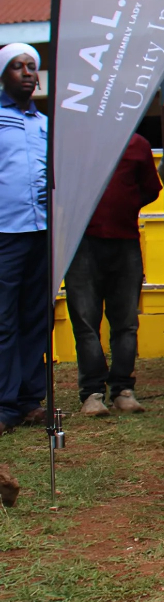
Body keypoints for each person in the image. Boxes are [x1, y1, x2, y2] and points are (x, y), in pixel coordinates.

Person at [67, 133, 161, 416]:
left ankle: (122, 389)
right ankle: (92, 393)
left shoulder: (137, 144)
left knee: (126, 322)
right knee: (85, 321)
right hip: (81, 242)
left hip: (125, 242)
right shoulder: (71, 142)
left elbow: (150, 189)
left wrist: (125, 207)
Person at [0, 44, 47, 435]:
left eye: (33, 67)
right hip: (5, 233)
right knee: (4, 320)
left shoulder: (44, 124)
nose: (29, 73)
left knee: (36, 317)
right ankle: (4, 404)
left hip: (42, 232)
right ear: (3, 75)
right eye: (18, 67)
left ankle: (31, 401)